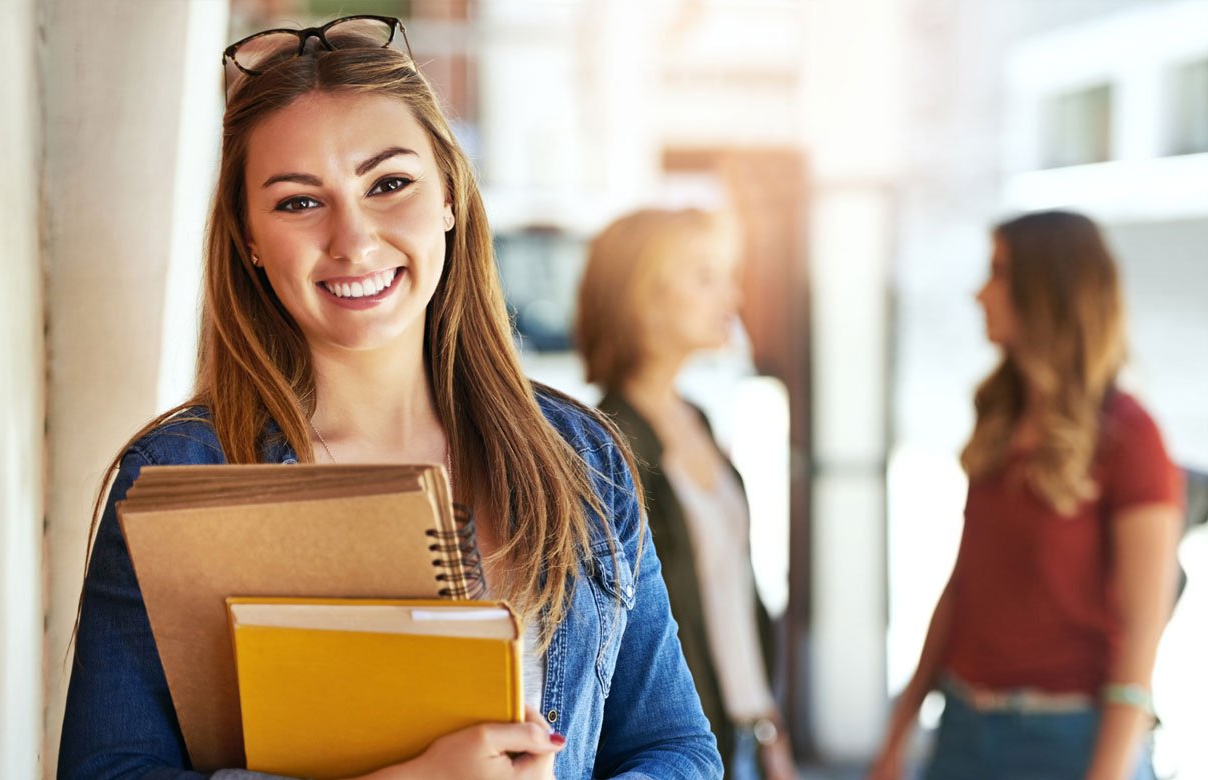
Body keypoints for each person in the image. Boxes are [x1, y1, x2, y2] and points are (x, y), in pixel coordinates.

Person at [56, 16, 721, 780]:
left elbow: (677, 750)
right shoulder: (175, 475)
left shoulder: (580, 458)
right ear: (247, 238)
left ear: (448, 197)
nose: (354, 240)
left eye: (390, 184)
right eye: (298, 203)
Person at [868, 211, 1185, 780]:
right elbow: (965, 584)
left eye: (998, 272)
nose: (979, 293)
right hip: (964, 729)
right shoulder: (1001, 417)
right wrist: (899, 730)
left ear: (1049, 290)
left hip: (1070, 741)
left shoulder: (1131, 436)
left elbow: (1143, 632)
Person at [574, 209, 799, 780]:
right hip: (674, 752)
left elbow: (732, 593)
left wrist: (770, 727)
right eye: (706, 276)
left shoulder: (695, 416)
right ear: (643, 297)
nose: (733, 293)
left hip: (742, 734)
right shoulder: (605, 444)